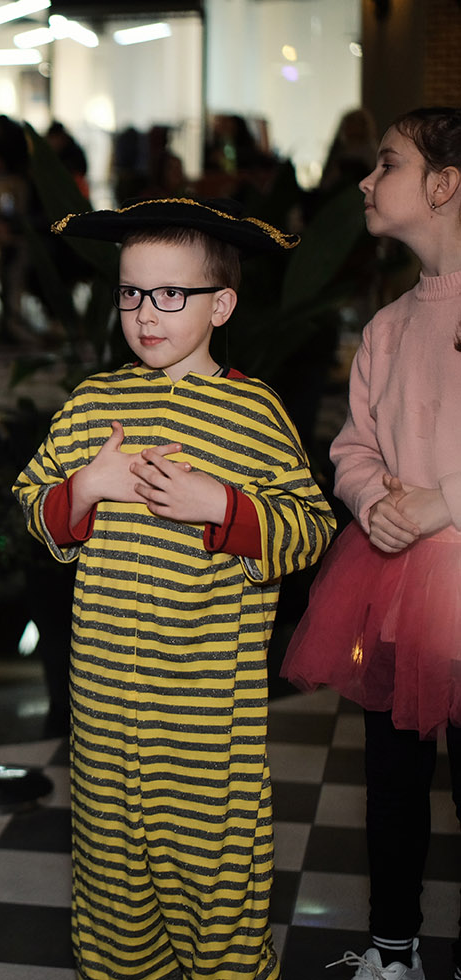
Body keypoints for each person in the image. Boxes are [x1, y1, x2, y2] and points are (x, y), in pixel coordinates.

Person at [13, 197, 336, 979]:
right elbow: (32, 505)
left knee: (216, 907)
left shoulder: (254, 413)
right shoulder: (93, 405)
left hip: (205, 728)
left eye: (169, 294)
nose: (145, 313)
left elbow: (310, 527)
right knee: (113, 907)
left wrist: (222, 505)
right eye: (130, 293)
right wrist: (84, 489)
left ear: (220, 305)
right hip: (101, 720)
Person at [282, 106, 461, 980]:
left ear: (444, 184)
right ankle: (393, 951)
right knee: (391, 781)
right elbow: (353, 444)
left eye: (387, 163)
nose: (365, 178)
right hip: (394, 585)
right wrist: (370, 501)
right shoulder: (389, 325)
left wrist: (441, 504)